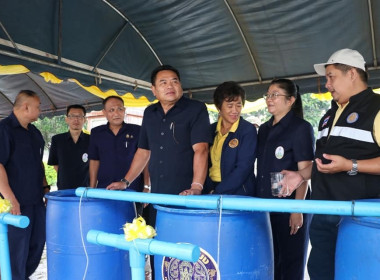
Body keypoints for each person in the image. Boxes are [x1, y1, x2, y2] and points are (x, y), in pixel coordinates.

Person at [282, 48, 380, 280]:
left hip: (360, 220)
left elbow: (345, 163)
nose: (326, 84)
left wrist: (351, 165)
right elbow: (323, 162)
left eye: (331, 76)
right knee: (320, 272)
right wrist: (301, 175)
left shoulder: (376, 108)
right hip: (324, 213)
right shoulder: (328, 115)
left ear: (352, 74)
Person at [255, 79, 314, 280]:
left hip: (290, 204)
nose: (270, 99)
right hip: (266, 204)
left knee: (291, 261)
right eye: (268, 95)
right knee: (271, 259)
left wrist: (298, 209)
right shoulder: (263, 129)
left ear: (290, 100)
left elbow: (304, 171)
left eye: (275, 95)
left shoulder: (300, 128)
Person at [0, 90, 48, 280]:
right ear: (26, 106)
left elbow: (38, 163)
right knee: (15, 248)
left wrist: (45, 188)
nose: (40, 110)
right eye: (38, 106)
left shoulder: (34, 131)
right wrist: (11, 199)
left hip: (36, 200)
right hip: (16, 202)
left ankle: (22, 276)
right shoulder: (4, 129)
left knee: (37, 243)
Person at [204, 81, 257, 195]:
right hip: (211, 190)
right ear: (219, 107)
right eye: (229, 106)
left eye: (238, 105)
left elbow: (243, 168)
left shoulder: (247, 130)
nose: (235, 110)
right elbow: (204, 162)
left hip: (239, 193)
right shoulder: (211, 130)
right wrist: (208, 189)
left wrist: (218, 192)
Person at [88, 95, 144, 191]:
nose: (116, 113)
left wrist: (147, 186)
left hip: (133, 188)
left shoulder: (138, 131)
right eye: (111, 110)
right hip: (105, 188)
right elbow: (94, 160)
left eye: (120, 109)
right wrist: (92, 188)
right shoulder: (96, 132)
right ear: (104, 113)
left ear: (124, 110)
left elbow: (145, 159)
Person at [48, 104, 90, 190]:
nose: (76, 119)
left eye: (79, 116)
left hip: (86, 189)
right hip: (64, 188)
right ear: (66, 119)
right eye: (72, 116)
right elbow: (55, 164)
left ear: (84, 119)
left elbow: (95, 164)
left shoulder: (91, 140)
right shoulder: (57, 140)